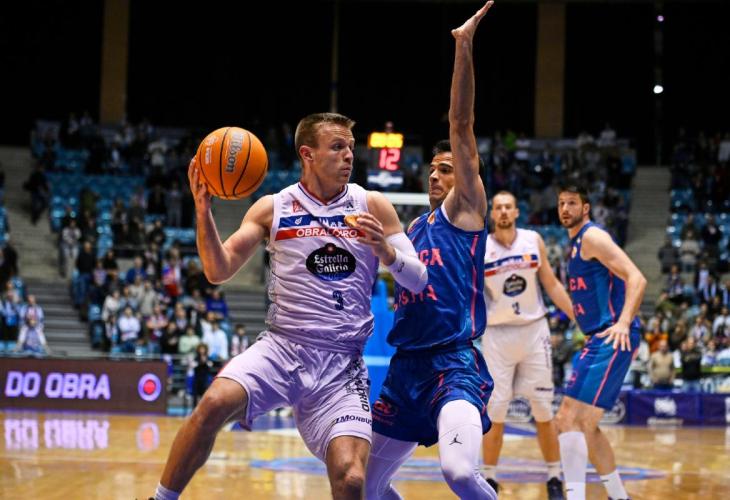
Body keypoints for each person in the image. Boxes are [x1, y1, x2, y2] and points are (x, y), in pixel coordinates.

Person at [154, 111, 427, 500]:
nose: (349, 155)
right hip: (282, 348)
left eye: (351, 147)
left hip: (342, 364)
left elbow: (419, 279)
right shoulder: (274, 207)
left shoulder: (372, 205)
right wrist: (203, 211)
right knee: (213, 403)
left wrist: (386, 251)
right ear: (307, 154)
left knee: (352, 479)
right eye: (337, 147)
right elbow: (218, 269)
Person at [366, 3, 496, 499]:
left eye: (447, 169)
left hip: (452, 362)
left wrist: (463, 46)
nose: (437, 176)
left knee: (459, 473)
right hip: (405, 368)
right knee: (362, 487)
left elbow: (461, 124)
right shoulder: (412, 229)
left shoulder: (465, 211)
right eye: (433, 170)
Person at [554, 184, 647, 500]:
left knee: (567, 418)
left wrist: (623, 322)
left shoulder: (593, 237)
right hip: (598, 337)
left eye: (572, 203)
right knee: (586, 425)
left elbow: (637, 278)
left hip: (610, 335)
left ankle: (575, 497)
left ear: (586, 208)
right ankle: (619, 496)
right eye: (561, 203)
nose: (565, 209)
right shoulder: (575, 244)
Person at [480, 191, 574, 499]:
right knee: (495, 412)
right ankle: (490, 478)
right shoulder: (482, 248)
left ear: (517, 211)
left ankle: (554, 477)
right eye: (498, 207)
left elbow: (552, 284)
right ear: (492, 213)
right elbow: (472, 294)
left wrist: (577, 315)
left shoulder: (533, 240)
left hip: (534, 332)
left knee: (543, 410)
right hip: (497, 334)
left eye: (508, 206)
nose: (504, 212)